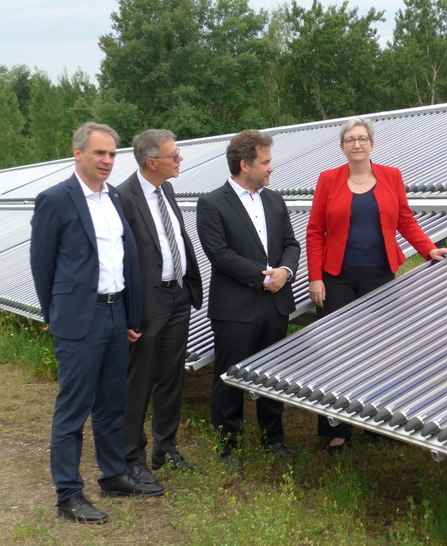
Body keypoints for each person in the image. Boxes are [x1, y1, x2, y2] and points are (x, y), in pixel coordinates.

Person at [29, 122, 164, 525]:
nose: (107, 161)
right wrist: (54, 314)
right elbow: (42, 264)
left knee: (111, 404)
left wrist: (129, 315)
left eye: (111, 154)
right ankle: (68, 493)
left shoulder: (116, 199)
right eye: (99, 153)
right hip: (78, 317)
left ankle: (113, 476)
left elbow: (128, 261)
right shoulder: (55, 199)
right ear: (78, 153)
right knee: (73, 408)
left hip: (114, 313)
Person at [306, 116, 447, 453]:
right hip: (337, 277)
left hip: (380, 275)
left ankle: (377, 419)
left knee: (380, 348)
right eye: (350, 139)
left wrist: (429, 249)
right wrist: (315, 276)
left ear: (372, 144)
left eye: (362, 138)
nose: (356, 144)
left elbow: (405, 219)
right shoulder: (328, 179)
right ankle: (338, 427)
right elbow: (316, 231)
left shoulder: (391, 176)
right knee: (336, 350)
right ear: (342, 147)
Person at [196, 130, 301, 464]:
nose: (271, 168)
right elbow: (219, 253)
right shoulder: (212, 203)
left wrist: (285, 272)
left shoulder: (274, 200)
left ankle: (274, 440)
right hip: (236, 307)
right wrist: (263, 277)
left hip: (276, 303)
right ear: (245, 164)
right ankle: (229, 446)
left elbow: (291, 244)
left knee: (273, 374)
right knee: (229, 377)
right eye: (265, 162)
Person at [117, 129, 203, 487]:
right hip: (147, 303)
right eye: (174, 156)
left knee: (171, 376)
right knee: (139, 381)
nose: (179, 159)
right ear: (152, 162)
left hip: (177, 295)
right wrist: (125, 312)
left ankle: (165, 448)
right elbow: (116, 258)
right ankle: (130, 458)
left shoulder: (166, 188)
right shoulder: (122, 197)